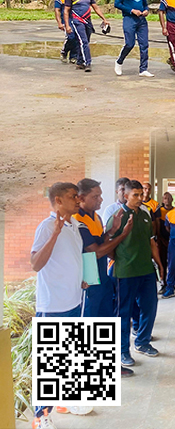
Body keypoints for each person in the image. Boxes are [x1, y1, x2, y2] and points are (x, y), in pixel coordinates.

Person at [31, 182, 89, 428]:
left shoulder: (74, 225)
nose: (78, 200)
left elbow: (71, 259)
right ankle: (40, 416)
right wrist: (54, 233)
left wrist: (82, 278)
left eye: (77, 196)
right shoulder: (47, 226)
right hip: (53, 304)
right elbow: (36, 264)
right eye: (72, 196)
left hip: (74, 300)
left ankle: (64, 401)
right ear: (57, 201)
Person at [108, 180, 162, 369]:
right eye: (135, 195)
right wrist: (121, 261)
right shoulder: (118, 216)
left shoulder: (145, 214)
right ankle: (123, 350)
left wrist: (159, 265)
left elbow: (151, 242)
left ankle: (142, 342)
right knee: (124, 313)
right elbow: (109, 243)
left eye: (141, 195)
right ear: (126, 196)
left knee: (150, 306)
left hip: (146, 270)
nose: (140, 198)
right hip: (125, 272)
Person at [76, 179, 127, 320]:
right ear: (81, 198)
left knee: (105, 317)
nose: (100, 199)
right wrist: (122, 235)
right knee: (90, 318)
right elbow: (96, 252)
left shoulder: (96, 217)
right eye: (95, 197)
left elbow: (100, 242)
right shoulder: (77, 220)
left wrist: (111, 231)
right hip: (88, 279)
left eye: (100, 195)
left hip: (101, 276)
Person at [64, 0, 108, 72]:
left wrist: (104, 19)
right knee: (83, 41)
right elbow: (66, 11)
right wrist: (67, 25)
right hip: (77, 22)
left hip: (88, 22)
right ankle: (87, 63)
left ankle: (79, 62)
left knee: (85, 42)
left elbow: (96, 8)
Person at [114, 0, 153, 77]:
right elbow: (117, 4)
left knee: (144, 44)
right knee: (130, 44)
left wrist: (146, 11)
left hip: (141, 21)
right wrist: (131, 10)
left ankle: (143, 69)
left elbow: (145, 5)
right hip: (129, 19)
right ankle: (119, 61)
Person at [55, 0, 76, 64]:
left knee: (76, 38)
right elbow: (57, 10)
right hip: (66, 21)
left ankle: (73, 56)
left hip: (76, 20)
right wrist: (59, 23)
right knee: (71, 37)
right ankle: (64, 51)